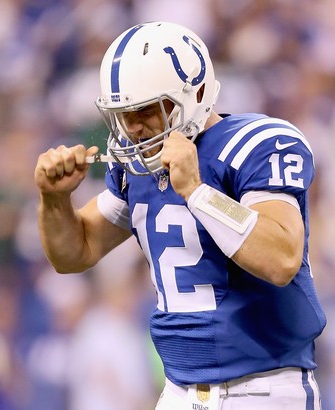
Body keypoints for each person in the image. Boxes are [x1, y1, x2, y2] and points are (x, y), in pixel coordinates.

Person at [34, 21, 326, 410]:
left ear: (197, 92)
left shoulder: (255, 144)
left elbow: (282, 258)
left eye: (145, 109)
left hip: (263, 388)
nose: (133, 127)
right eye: (124, 113)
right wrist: (55, 200)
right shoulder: (138, 166)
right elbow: (74, 253)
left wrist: (198, 192)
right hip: (178, 391)